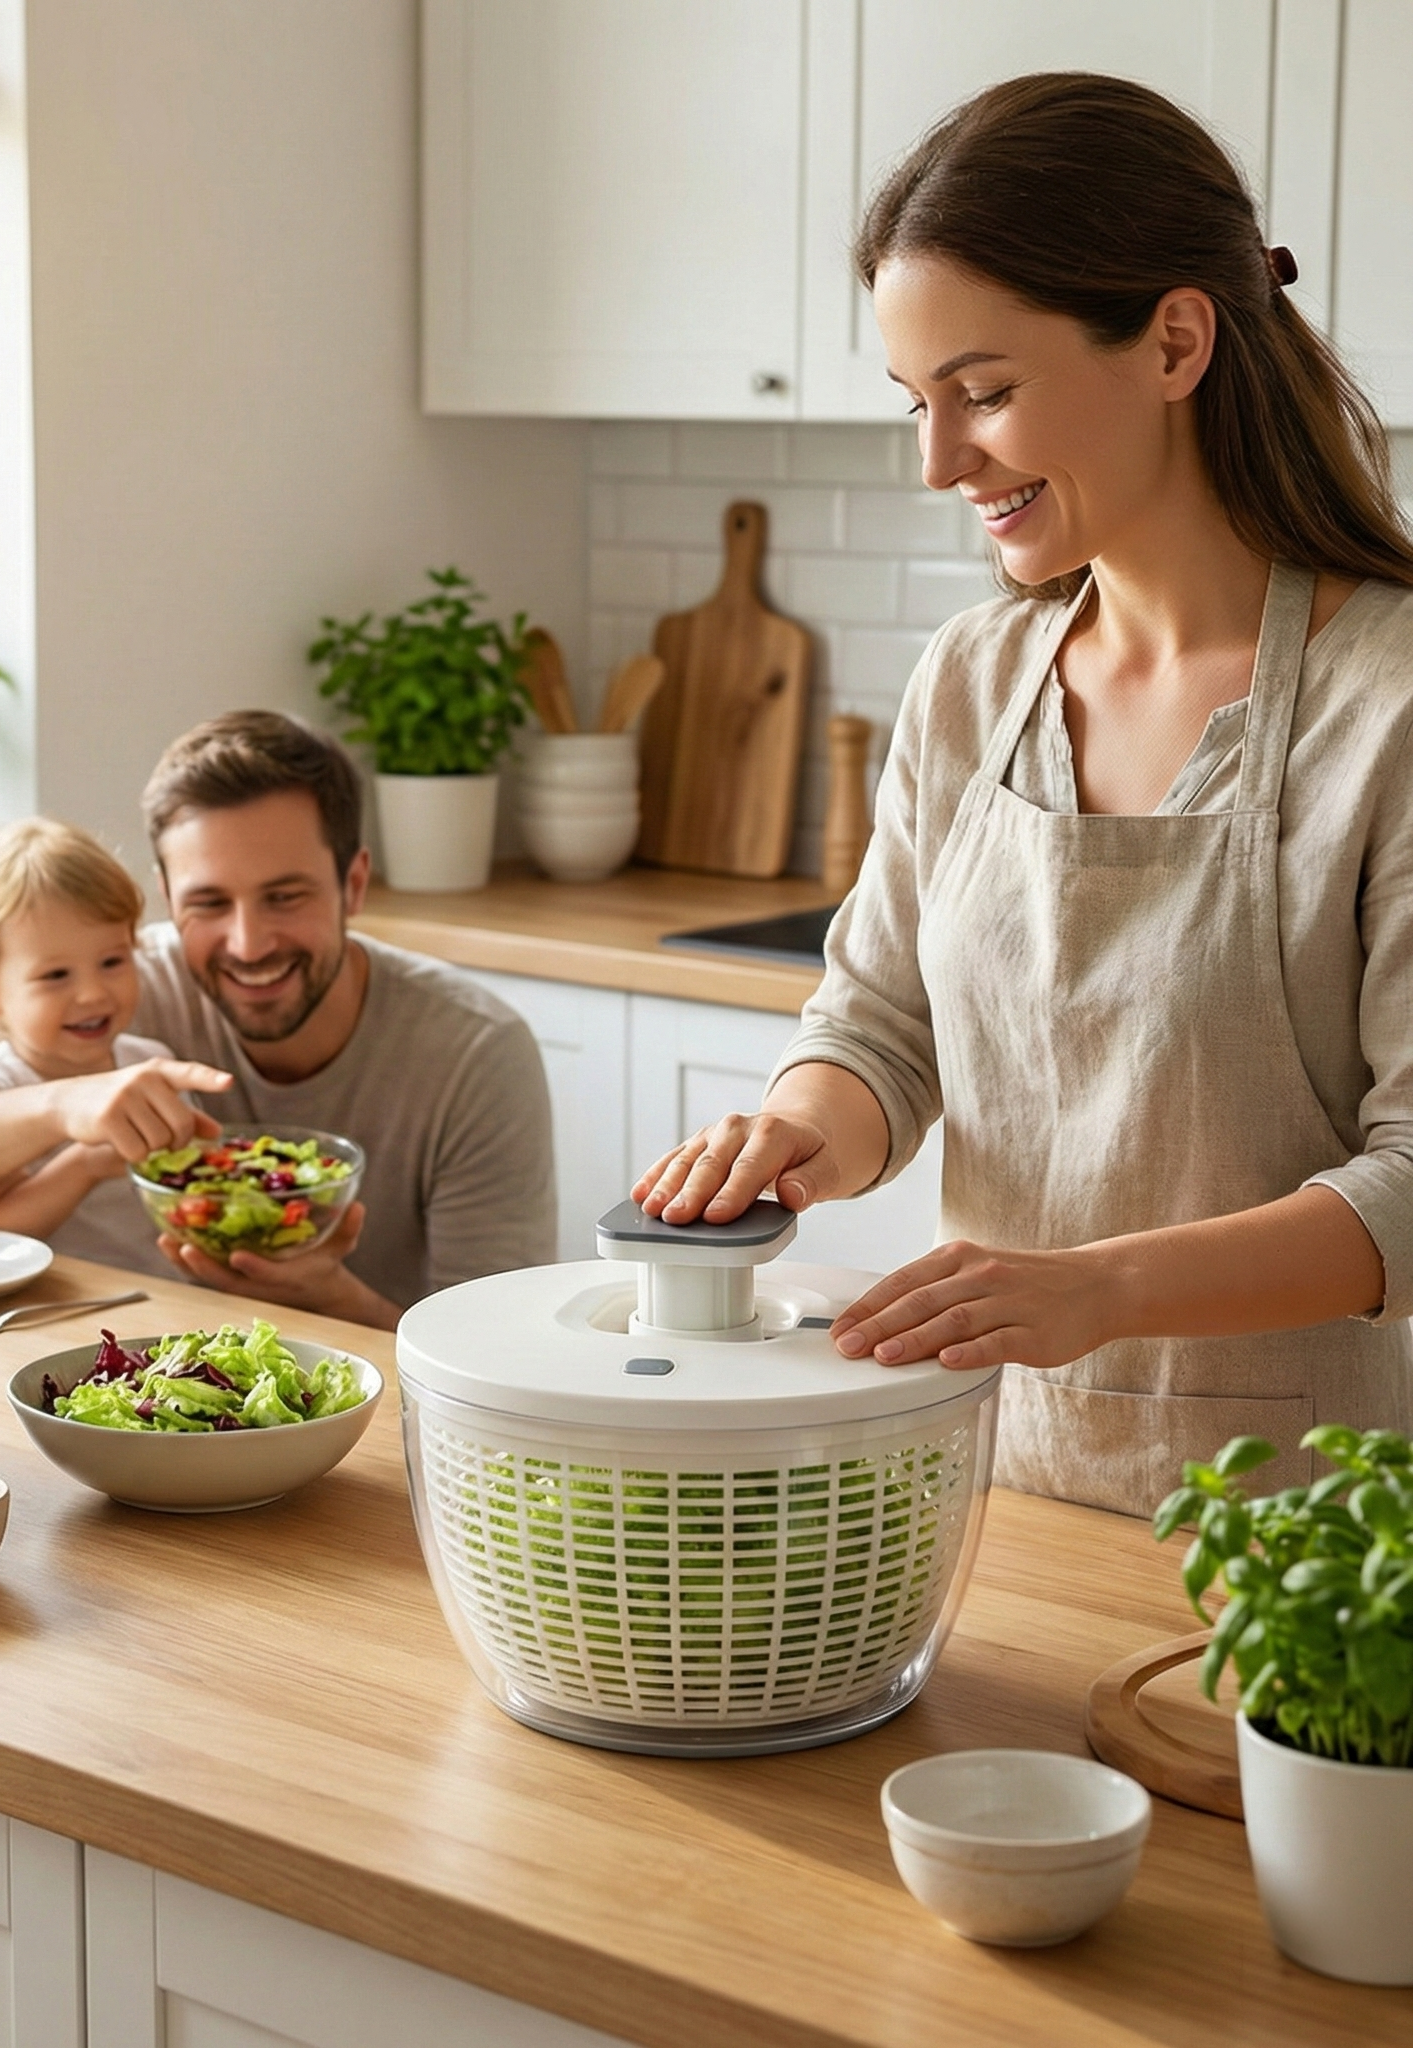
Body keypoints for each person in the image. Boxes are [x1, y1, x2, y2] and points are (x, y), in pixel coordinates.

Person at [636, 72, 1413, 1517]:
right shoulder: (973, 678)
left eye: (985, 393)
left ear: (1176, 338)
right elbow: (876, 1026)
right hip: (995, 1486)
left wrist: (1099, 1288)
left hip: (1317, 1538)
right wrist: (803, 1129)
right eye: (916, 402)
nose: (939, 461)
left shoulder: (1393, 705)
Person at [0, 711, 555, 1328]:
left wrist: (332, 1297)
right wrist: (69, 1102)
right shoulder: (108, 988)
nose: (248, 945)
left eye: (285, 896)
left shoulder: (474, 1050)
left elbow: (499, 1352)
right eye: (209, 903)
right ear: (167, 898)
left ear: (355, 884)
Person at [0, 815, 234, 1252]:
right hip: (63, 1309)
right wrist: (87, 1164)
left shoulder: (148, 1061)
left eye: (113, 961)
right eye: (56, 975)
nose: (92, 993)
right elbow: (0, 1225)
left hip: (170, 1297)